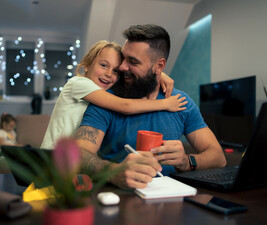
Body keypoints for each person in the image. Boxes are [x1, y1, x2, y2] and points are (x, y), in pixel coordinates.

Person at [75, 24, 226, 189]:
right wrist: (113, 171)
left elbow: (218, 157)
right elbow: (79, 154)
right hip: (119, 198)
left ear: (159, 66)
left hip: (171, 199)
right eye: (123, 58)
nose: (123, 67)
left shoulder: (180, 103)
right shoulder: (106, 100)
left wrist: (186, 162)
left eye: (133, 62)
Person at [41, 40, 187, 149]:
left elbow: (138, 72)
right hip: (52, 158)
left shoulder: (105, 90)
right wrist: (165, 104)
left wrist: (160, 74)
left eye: (116, 70)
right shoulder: (78, 83)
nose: (108, 74)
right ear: (87, 64)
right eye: (103, 65)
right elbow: (125, 106)